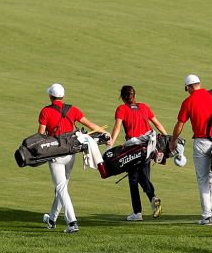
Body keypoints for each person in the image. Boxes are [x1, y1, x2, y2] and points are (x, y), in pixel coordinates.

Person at [38, 83, 105, 234]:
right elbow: (90, 125)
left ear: (50, 96)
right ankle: (52, 220)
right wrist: (105, 134)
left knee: (61, 188)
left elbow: (41, 135)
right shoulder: (72, 109)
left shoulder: (45, 111)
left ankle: (72, 222)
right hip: (70, 153)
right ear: (62, 96)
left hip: (55, 154)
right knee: (61, 189)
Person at [170, 74, 212, 225]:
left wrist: (173, 141)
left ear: (189, 87)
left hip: (201, 142)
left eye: (186, 88)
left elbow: (180, 124)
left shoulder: (188, 101)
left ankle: (206, 216)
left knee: (203, 179)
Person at [110, 85, 167, 221]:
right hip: (148, 148)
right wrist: (167, 138)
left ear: (122, 97)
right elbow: (157, 124)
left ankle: (138, 212)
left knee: (134, 180)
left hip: (133, 149)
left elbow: (117, 128)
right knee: (143, 176)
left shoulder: (121, 109)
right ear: (134, 96)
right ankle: (152, 200)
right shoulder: (144, 107)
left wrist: (110, 146)